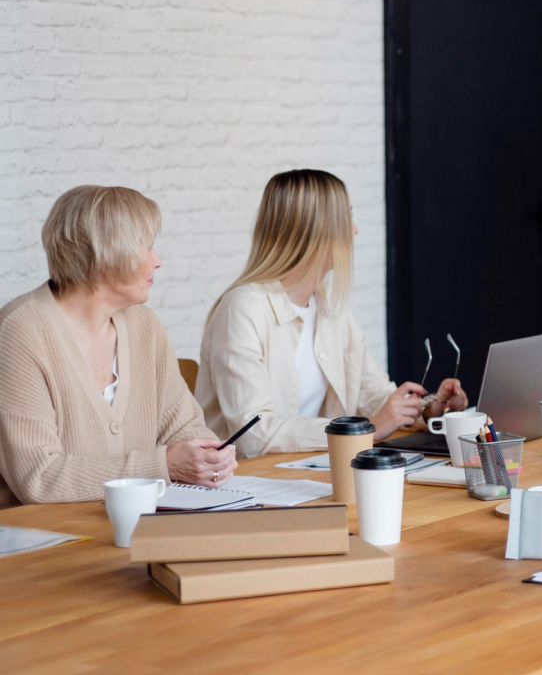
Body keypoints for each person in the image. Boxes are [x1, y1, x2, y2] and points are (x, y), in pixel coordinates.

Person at [197, 169, 467, 458]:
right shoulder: (242, 309)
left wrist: (431, 406)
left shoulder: (330, 308)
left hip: (309, 472)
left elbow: (373, 396)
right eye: (347, 218)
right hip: (248, 484)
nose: (355, 230)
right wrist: (366, 430)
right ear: (315, 230)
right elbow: (253, 433)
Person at [0, 186, 237, 508]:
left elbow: (183, 425)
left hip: (140, 525)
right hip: (48, 541)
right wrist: (164, 465)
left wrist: (205, 456)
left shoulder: (143, 325)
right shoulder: (18, 332)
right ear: (107, 254)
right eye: (148, 247)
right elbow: (39, 478)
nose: (158, 261)